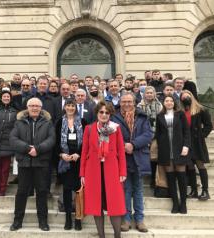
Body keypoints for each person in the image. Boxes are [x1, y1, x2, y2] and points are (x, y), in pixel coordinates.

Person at [80, 100, 127, 238]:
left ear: (110, 114)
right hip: (93, 171)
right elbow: (84, 152)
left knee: (115, 205)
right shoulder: (89, 129)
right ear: (97, 113)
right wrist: (82, 173)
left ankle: (117, 235)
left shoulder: (116, 128)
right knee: (96, 205)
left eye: (107, 112)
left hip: (112, 170)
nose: (104, 114)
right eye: (101, 112)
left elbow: (121, 151)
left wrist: (123, 171)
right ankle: (101, 236)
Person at [9, 98, 55, 232]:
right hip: (24, 163)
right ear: (27, 107)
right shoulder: (19, 123)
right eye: (32, 106)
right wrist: (28, 149)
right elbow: (13, 139)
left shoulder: (48, 122)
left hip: (41, 163)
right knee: (22, 192)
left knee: (42, 192)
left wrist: (38, 149)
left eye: (37, 106)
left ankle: (43, 221)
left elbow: (51, 139)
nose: (34, 108)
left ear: (41, 108)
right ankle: (17, 221)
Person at [111, 92, 152, 233]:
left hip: (138, 156)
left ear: (134, 102)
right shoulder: (114, 117)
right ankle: (126, 219)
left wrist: (133, 145)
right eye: (124, 102)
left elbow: (148, 134)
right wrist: (123, 145)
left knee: (138, 189)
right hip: (122, 158)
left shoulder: (142, 116)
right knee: (126, 190)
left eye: (129, 101)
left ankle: (140, 219)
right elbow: (110, 134)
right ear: (120, 103)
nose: (127, 104)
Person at [155, 95, 191, 214]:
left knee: (181, 178)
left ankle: (183, 204)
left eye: (171, 100)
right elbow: (158, 134)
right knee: (170, 179)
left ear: (174, 103)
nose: (169, 102)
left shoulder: (180, 114)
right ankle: (175, 203)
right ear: (163, 103)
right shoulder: (159, 116)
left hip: (180, 150)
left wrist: (186, 146)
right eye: (167, 101)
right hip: (166, 151)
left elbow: (186, 131)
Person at [55, 98, 86, 230]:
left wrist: (78, 153)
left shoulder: (83, 122)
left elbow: (86, 141)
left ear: (76, 107)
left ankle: (78, 218)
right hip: (65, 161)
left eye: (72, 106)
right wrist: (62, 154)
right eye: (68, 105)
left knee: (79, 190)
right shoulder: (59, 122)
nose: (70, 108)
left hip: (79, 160)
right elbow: (55, 142)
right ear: (65, 107)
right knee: (67, 190)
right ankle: (68, 217)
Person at [180, 90, 213, 200]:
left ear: (192, 96)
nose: (185, 98)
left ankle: (205, 190)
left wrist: (201, 135)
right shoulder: (181, 111)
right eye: (183, 97)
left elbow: (208, 126)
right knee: (189, 166)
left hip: (197, 142)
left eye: (187, 96)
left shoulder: (200, 109)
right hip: (185, 142)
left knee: (200, 165)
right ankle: (194, 190)